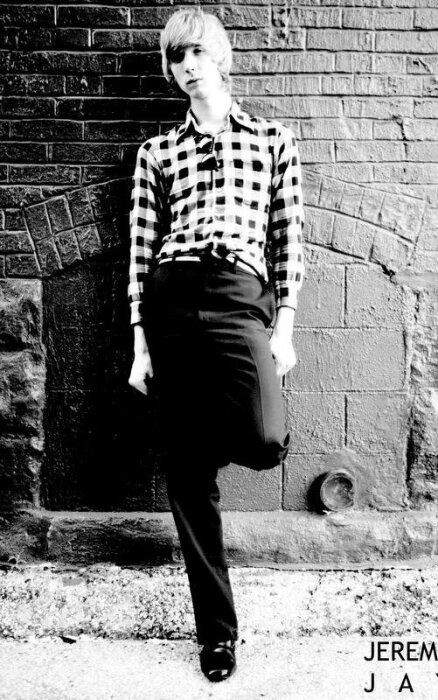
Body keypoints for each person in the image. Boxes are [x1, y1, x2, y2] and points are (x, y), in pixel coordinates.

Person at [128, 8, 304, 683]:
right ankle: (218, 636)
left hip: (239, 295)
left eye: (197, 52)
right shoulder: (157, 152)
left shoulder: (272, 140)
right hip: (172, 297)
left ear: (221, 57)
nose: (188, 67)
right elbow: (141, 253)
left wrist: (283, 328)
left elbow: (289, 240)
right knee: (187, 476)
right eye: (177, 58)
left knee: (265, 439)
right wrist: (141, 346)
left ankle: (202, 433)